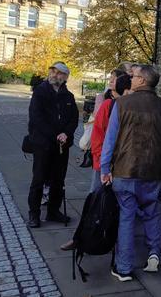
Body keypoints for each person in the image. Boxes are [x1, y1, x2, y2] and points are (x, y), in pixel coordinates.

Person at [100, 64, 161, 282]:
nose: (130, 78)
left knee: (127, 218)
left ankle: (124, 267)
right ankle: (153, 253)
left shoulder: (121, 103)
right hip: (153, 171)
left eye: (134, 76)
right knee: (152, 213)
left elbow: (110, 139)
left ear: (142, 81)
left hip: (125, 170)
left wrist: (105, 168)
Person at [59, 74, 131, 252]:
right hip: (106, 163)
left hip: (125, 166)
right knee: (94, 201)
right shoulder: (109, 105)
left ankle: (115, 242)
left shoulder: (133, 107)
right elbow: (98, 137)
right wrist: (101, 165)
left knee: (120, 205)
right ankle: (81, 238)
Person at [26, 62, 79, 228]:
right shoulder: (40, 92)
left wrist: (67, 133)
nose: (55, 75)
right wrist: (55, 135)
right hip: (43, 144)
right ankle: (34, 214)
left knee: (58, 180)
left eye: (60, 73)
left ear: (65, 77)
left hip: (61, 146)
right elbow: (37, 118)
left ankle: (53, 211)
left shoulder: (68, 96)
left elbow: (73, 119)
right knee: (39, 179)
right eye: (53, 71)